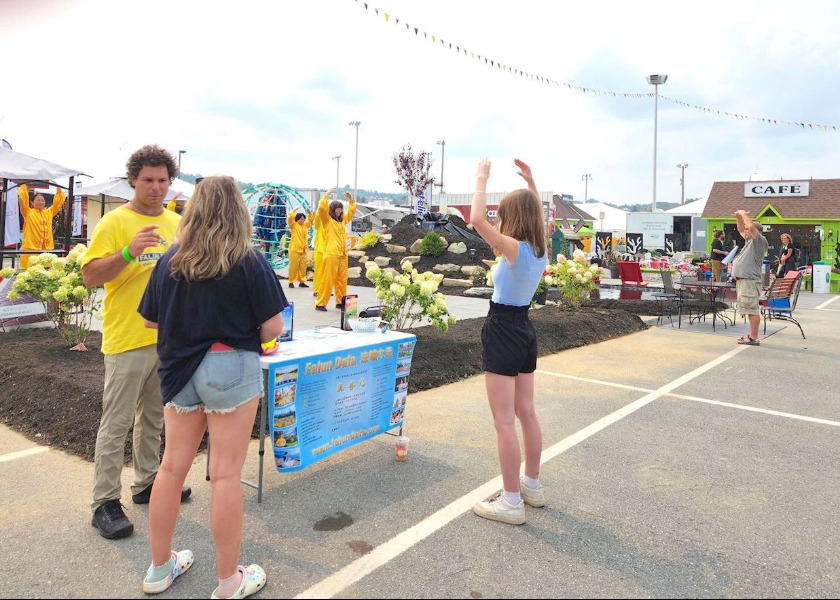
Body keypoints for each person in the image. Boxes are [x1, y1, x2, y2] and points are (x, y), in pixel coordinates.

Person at [138, 175, 286, 598]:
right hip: (230, 368)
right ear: (238, 209)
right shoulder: (248, 259)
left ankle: (159, 569)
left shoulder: (171, 259)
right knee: (224, 475)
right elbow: (272, 326)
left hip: (179, 370)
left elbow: (150, 319)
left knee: (170, 468)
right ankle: (228, 582)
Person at [82, 145, 191, 540]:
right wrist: (129, 252)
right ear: (132, 179)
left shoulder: (176, 223)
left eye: (163, 180)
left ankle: (147, 484)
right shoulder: (114, 222)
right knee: (116, 423)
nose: (156, 187)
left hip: (166, 340)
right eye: (148, 180)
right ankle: (105, 502)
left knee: (155, 418)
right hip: (127, 337)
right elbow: (91, 276)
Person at [469, 158, 547, 525]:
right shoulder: (539, 250)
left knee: (504, 421)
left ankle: (511, 500)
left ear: (514, 217)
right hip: (524, 328)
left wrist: (481, 179)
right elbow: (540, 217)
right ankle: (531, 485)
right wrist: (532, 182)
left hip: (502, 326)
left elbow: (476, 221)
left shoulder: (515, 249)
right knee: (526, 413)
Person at [731, 210, 768, 346]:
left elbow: (751, 227)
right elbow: (741, 228)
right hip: (744, 280)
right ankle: (751, 335)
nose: (745, 232)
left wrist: (744, 215)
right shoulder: (749, 242)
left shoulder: (759, 241)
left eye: (747, 230)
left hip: (750, 281)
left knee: (752, 309)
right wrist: (739, 218)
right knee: (748, 307)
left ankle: (753, 337)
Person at [315, 190, 356, 311]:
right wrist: (326, 195)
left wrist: (351, 200)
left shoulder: (342, 220)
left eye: (340, 208)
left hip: (342, 254)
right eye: (337, 208)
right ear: (332, 209)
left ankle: (340, 301)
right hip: (331, 254)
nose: (339, 211)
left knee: (342, 279)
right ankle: (320, 303)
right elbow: (321, 209)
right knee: (327, 279)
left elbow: (351, 212)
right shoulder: (327, 220)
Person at [16, 185, 66, 268]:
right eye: (38, 200)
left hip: (46, 249)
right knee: (29, 272)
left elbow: (57, 204)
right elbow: (23, 201)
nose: (41, 202)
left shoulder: (48, 212)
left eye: (42, 200)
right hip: (30, 249)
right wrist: (24, 188)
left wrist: (59, 191)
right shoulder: (28, 212)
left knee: (44, 273)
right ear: (32, 202)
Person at [311, 188, 333, 298]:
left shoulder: (331, 224)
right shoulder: (319, 224)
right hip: (320, 251)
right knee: (319, 272)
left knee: (327, 273)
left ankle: (325, 290)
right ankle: (317, 290)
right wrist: (326, 196)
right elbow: (319, 212)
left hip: (329, 251)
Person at [286, 207, 314, 288]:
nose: (302, 220)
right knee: (293, 267)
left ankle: (302, 281)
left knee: (303, 267)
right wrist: (294, 211)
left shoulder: (305, 226)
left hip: (303, 250)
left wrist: (309, 213)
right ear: (297, 219)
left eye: (303, 219)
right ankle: (291, 281)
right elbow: (290, 218)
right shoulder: (293, 225)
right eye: (301, 219)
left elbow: (310, 221)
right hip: (294, 249)